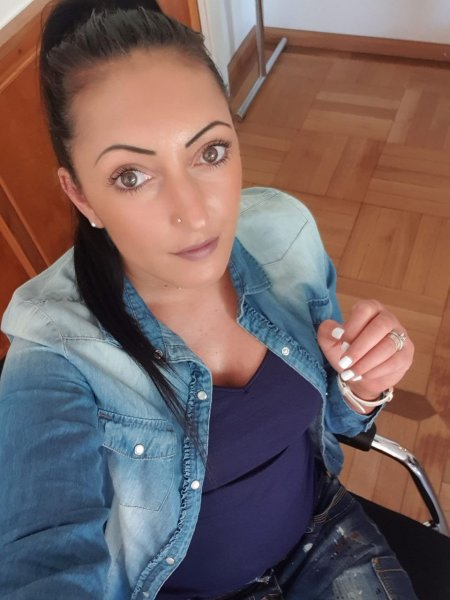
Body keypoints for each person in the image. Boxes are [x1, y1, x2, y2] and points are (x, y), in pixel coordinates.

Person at [0, 1, 417, 599]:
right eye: (131, 176)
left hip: (322, 538)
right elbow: (44, 561)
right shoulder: (53, 355)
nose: (195, 214)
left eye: (210, 152)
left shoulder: (285, 236)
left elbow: (336, 423)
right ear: (82, 195)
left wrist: (364, 385)